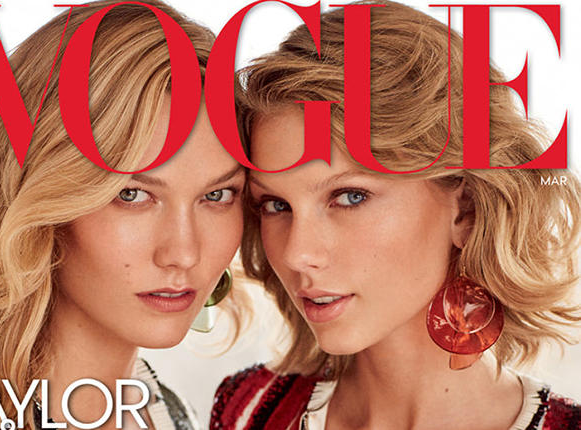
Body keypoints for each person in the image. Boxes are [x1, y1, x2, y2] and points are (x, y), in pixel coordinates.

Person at [211, 1, 581, 429]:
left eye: (350, 197)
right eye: (276, 205)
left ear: (465, 210)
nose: (297, 254)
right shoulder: (246, 409)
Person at [0, 1, 246, 429]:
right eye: (132, 194)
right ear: (43, 196)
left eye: (216, 195)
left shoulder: (172, 413)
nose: (183, 253)